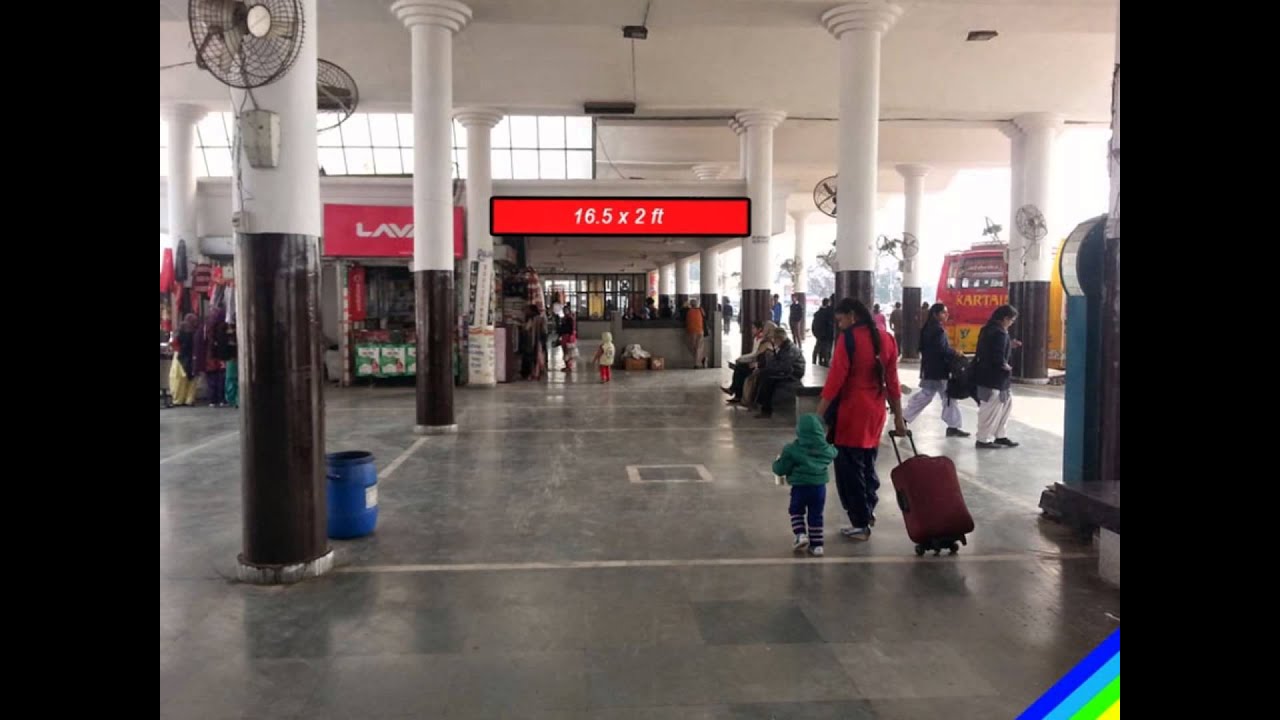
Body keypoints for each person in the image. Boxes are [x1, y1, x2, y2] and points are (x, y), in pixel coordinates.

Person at [816, 298, 906, 542]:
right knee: (867, 463)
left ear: (852, 316)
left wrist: (818, 414)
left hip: (852, 412)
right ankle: (868, 510)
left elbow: (835, 381)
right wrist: (899, 418)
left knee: (849, 470)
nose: (840, 325)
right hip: (876, 412)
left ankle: (860, 522)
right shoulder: (887, 339)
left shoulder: (848, 339)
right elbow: (893, 383)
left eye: (841, 320)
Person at [772, 413, 838, 557]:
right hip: (819, 489)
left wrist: (776, 464)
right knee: (816, 514)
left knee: (796, 510)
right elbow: (834, 452)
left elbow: (780, 469)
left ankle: (800, 535)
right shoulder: (826, 450)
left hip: (800, 488)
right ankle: (817, 545)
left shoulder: (792, 449)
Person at [903, 303, 968, 437]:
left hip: (931, 369)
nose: (946, 315)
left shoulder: (928, 328)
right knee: (935, 396)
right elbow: (941, 350)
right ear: (935, 314)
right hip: (938, 370)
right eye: (944, 312)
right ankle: (904, 417)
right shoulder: (937, 330)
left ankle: (953, 426)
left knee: (943, 397)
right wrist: (955, 352)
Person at [973, 304, 1022, 449]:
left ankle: (1000, 435)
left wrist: (1009, 344)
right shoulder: (999, 332)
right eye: (1011, 320)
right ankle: (983, 439)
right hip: (993, 378)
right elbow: (996, 354)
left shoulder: (989, 329)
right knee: (990, 408)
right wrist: (1003, 364)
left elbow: (990, 348)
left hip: (996, 379)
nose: (1011, 323)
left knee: (1005, 404)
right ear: (1005, 318)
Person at [755, 326, 806, 419]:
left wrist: (769, 369)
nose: (774, 341)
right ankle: (759, 404)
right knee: (762, 374)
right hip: (787, 370)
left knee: (768, 380)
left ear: (780, 338)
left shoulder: (790, 349)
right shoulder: (784, 347)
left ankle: (766, 410)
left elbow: (784, 366)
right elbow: (777, 362)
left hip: (793, 373)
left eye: (775, 339)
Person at [723, 320, 771, 403]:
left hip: (759, 366)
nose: (752, 330)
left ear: (760, 329)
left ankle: (735, 392)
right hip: (755, 363)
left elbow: (755, 354)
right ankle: (735, 392)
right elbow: (753, 354)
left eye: (753, 328)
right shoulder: (756, 339)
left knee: (740, 369)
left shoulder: (763, 341)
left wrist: (742, 358)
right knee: (739, 368)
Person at [168, 314, 200, 407]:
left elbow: (174, 343)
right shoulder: (196, 331)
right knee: (192, 379)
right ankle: (189, 399)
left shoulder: (180, 330)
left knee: (178, 380)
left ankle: (178, 399)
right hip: (193, 357)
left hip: (180, 357)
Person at [811, 298, 834, 367]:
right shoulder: (829, 313)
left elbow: (814, 325)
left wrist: (816, 333)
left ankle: (816, 361)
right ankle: (825, 362)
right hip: (827, 334)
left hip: (819, 334)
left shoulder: (818, 313)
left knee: (818, 347)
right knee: (826, 349)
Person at [685, 298, 706, 367]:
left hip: (692, 331)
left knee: (693, 347)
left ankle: (697, 363)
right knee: (698, 347)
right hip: (700, 330)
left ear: (690, 304)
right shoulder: (701, 310)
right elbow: (705, 316)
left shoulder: (688, 311)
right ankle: (701, 359)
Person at [223, 321, 239, 408]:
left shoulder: (228, 333)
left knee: (231, 379)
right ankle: (235, 400)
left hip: (231, 358)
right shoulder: (230, 334)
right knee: (233, 380)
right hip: (233, 358)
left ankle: (233, 400)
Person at [559, 305, 579, 372]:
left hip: (568, 337)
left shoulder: (570, 319)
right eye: (564, 310)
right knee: (565, 352)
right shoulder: (564, 318)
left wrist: (571, 336)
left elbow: (572, 328)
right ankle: (567, 366)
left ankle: (569, 366)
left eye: (566, 310)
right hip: (564, 336)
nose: (565, 311)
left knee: (569, 352)